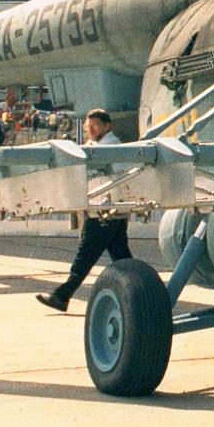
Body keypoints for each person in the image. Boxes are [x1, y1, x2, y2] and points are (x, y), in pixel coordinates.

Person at [35, 109, 127, 312]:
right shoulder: (99, 146)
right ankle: (141, 295)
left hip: (104, 210)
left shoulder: (110, 147)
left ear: (107, 126)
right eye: (88, 126)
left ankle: (62, 295)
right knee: (123, 260)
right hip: (107, 209)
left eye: (95, 125)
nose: (91, 129)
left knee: (85, 255)